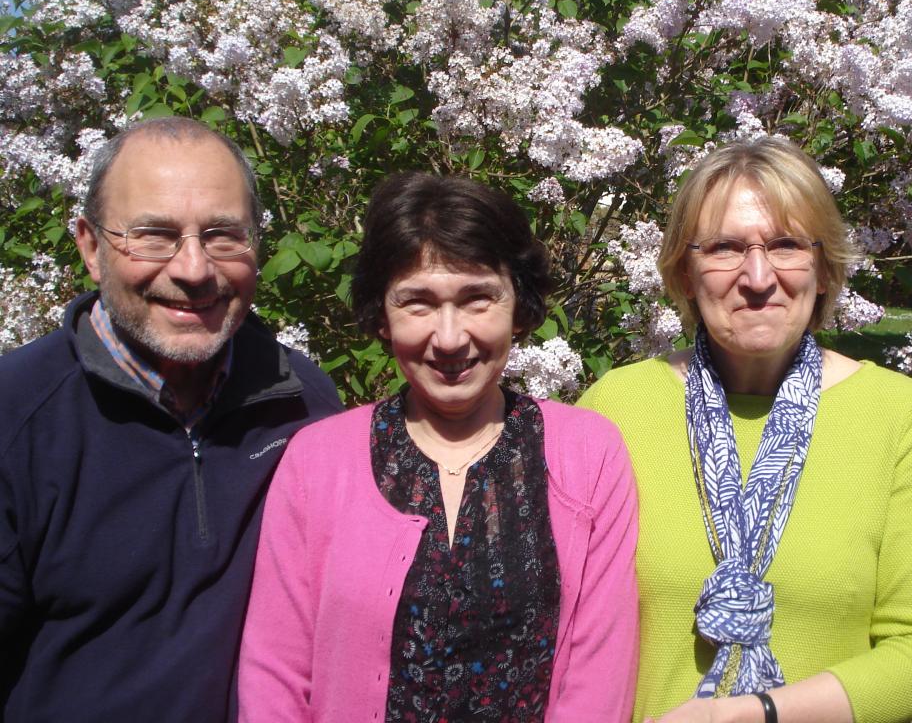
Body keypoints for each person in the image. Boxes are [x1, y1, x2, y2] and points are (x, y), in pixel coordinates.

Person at [580, 137, 912, 723]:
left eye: (785, 245)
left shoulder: (895, 414)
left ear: (824, 267)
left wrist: (752, 714)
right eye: (726, 249)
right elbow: (568, 629)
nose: (758, 277)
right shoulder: (618, 408)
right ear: (685, 272)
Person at [238, 172, 639, 722]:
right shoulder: (316, 461)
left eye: (478, 299)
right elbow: (275, 673)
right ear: (382, 313)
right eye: (417, 303)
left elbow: (600, 674)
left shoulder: (587, 454)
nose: (449, 338)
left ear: (518, 305)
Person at [0, 117, 343, 722]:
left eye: (221, 235)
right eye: (154, 235)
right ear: (89, 245)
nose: (192, 269)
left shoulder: (300, 402)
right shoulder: (16, 417)